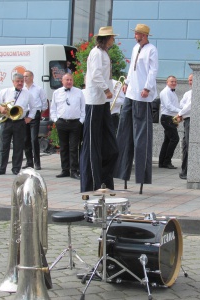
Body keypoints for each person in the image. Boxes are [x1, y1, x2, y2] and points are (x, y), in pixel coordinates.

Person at [114, 24, 158, 192]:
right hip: (131, 93)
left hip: (142, 95)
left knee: (141, 138)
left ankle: (141, 177)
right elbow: (131, 69)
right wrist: (126, 82)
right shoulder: (135, 48)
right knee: (124, 134)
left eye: (137, 34)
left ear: (143, 35)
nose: (135, 36)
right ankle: (121, 172)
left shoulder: (152, 50)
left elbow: (153, 71)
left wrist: (147, 87)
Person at [80, 26, 119, 192]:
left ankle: (104, 180)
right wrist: (106, 89)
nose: (113, 40)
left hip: (102, 102)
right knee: (91, 144)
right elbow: (95, 75)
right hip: (95, 101)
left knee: (110, 145)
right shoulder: (96, 53)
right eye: (111, 37)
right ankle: (91, 183)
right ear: (106, 38)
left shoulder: (104, 53)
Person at [0, 73, 36, 175]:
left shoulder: (27, 93)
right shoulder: (5, 91)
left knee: (18, 147)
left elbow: (34, 107)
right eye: (18, 81)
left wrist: (29, 118)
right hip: (6, 122)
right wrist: (1, 108)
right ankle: (1, 169)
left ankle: (16, 169)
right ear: (13, 82)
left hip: (20, 122)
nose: (20, 83)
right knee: (3, 146)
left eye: (21, 81)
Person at [51, 73, 85, 179]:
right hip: (62, 122)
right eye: (67, 80)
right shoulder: (56, 93)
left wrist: (81, 121)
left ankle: (74, 170)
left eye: (71, 80)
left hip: (75, 123)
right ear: (62, 81)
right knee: (63, 147)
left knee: (74, 147)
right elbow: (53, 109)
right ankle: (65, 169)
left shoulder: (79, 92)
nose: (69, 81)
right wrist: (56, 120)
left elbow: (83, 108)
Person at [22, 70, 48, 170]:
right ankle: (29, 162)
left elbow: (44, 103)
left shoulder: (38, 89)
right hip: (24, 114)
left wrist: (39, 114)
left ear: (32, 77)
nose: (25, 78)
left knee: (33, 139)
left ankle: (37, 162)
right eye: (24, 76)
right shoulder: (22, 89)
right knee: (26, 139)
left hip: (35, 114)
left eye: (27, 76)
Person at [158, 75, 181, 169]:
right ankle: (167, 161)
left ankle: (162, 162)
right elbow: (168, 106)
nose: (174, 83)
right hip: (167, 118)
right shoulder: (166, 92)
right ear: (167, 82)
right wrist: (180, 112)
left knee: (167, 140)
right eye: (172, 81)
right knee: (175, 139)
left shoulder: (172, 92)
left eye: (175, 81)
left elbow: (174, 105)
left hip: (170, 118)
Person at [177, 74, 193, 180]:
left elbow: (189, 106)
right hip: (186, 119)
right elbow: (181, 104)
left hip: (190, 119)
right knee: (185, 146)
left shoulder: (196, 92)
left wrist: (180, 114)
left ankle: (186, 171)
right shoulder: (187, 93)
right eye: (189, 80)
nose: (190, 82)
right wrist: (182, 111)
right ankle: (184, 170)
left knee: (188, 145)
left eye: (191, 80)